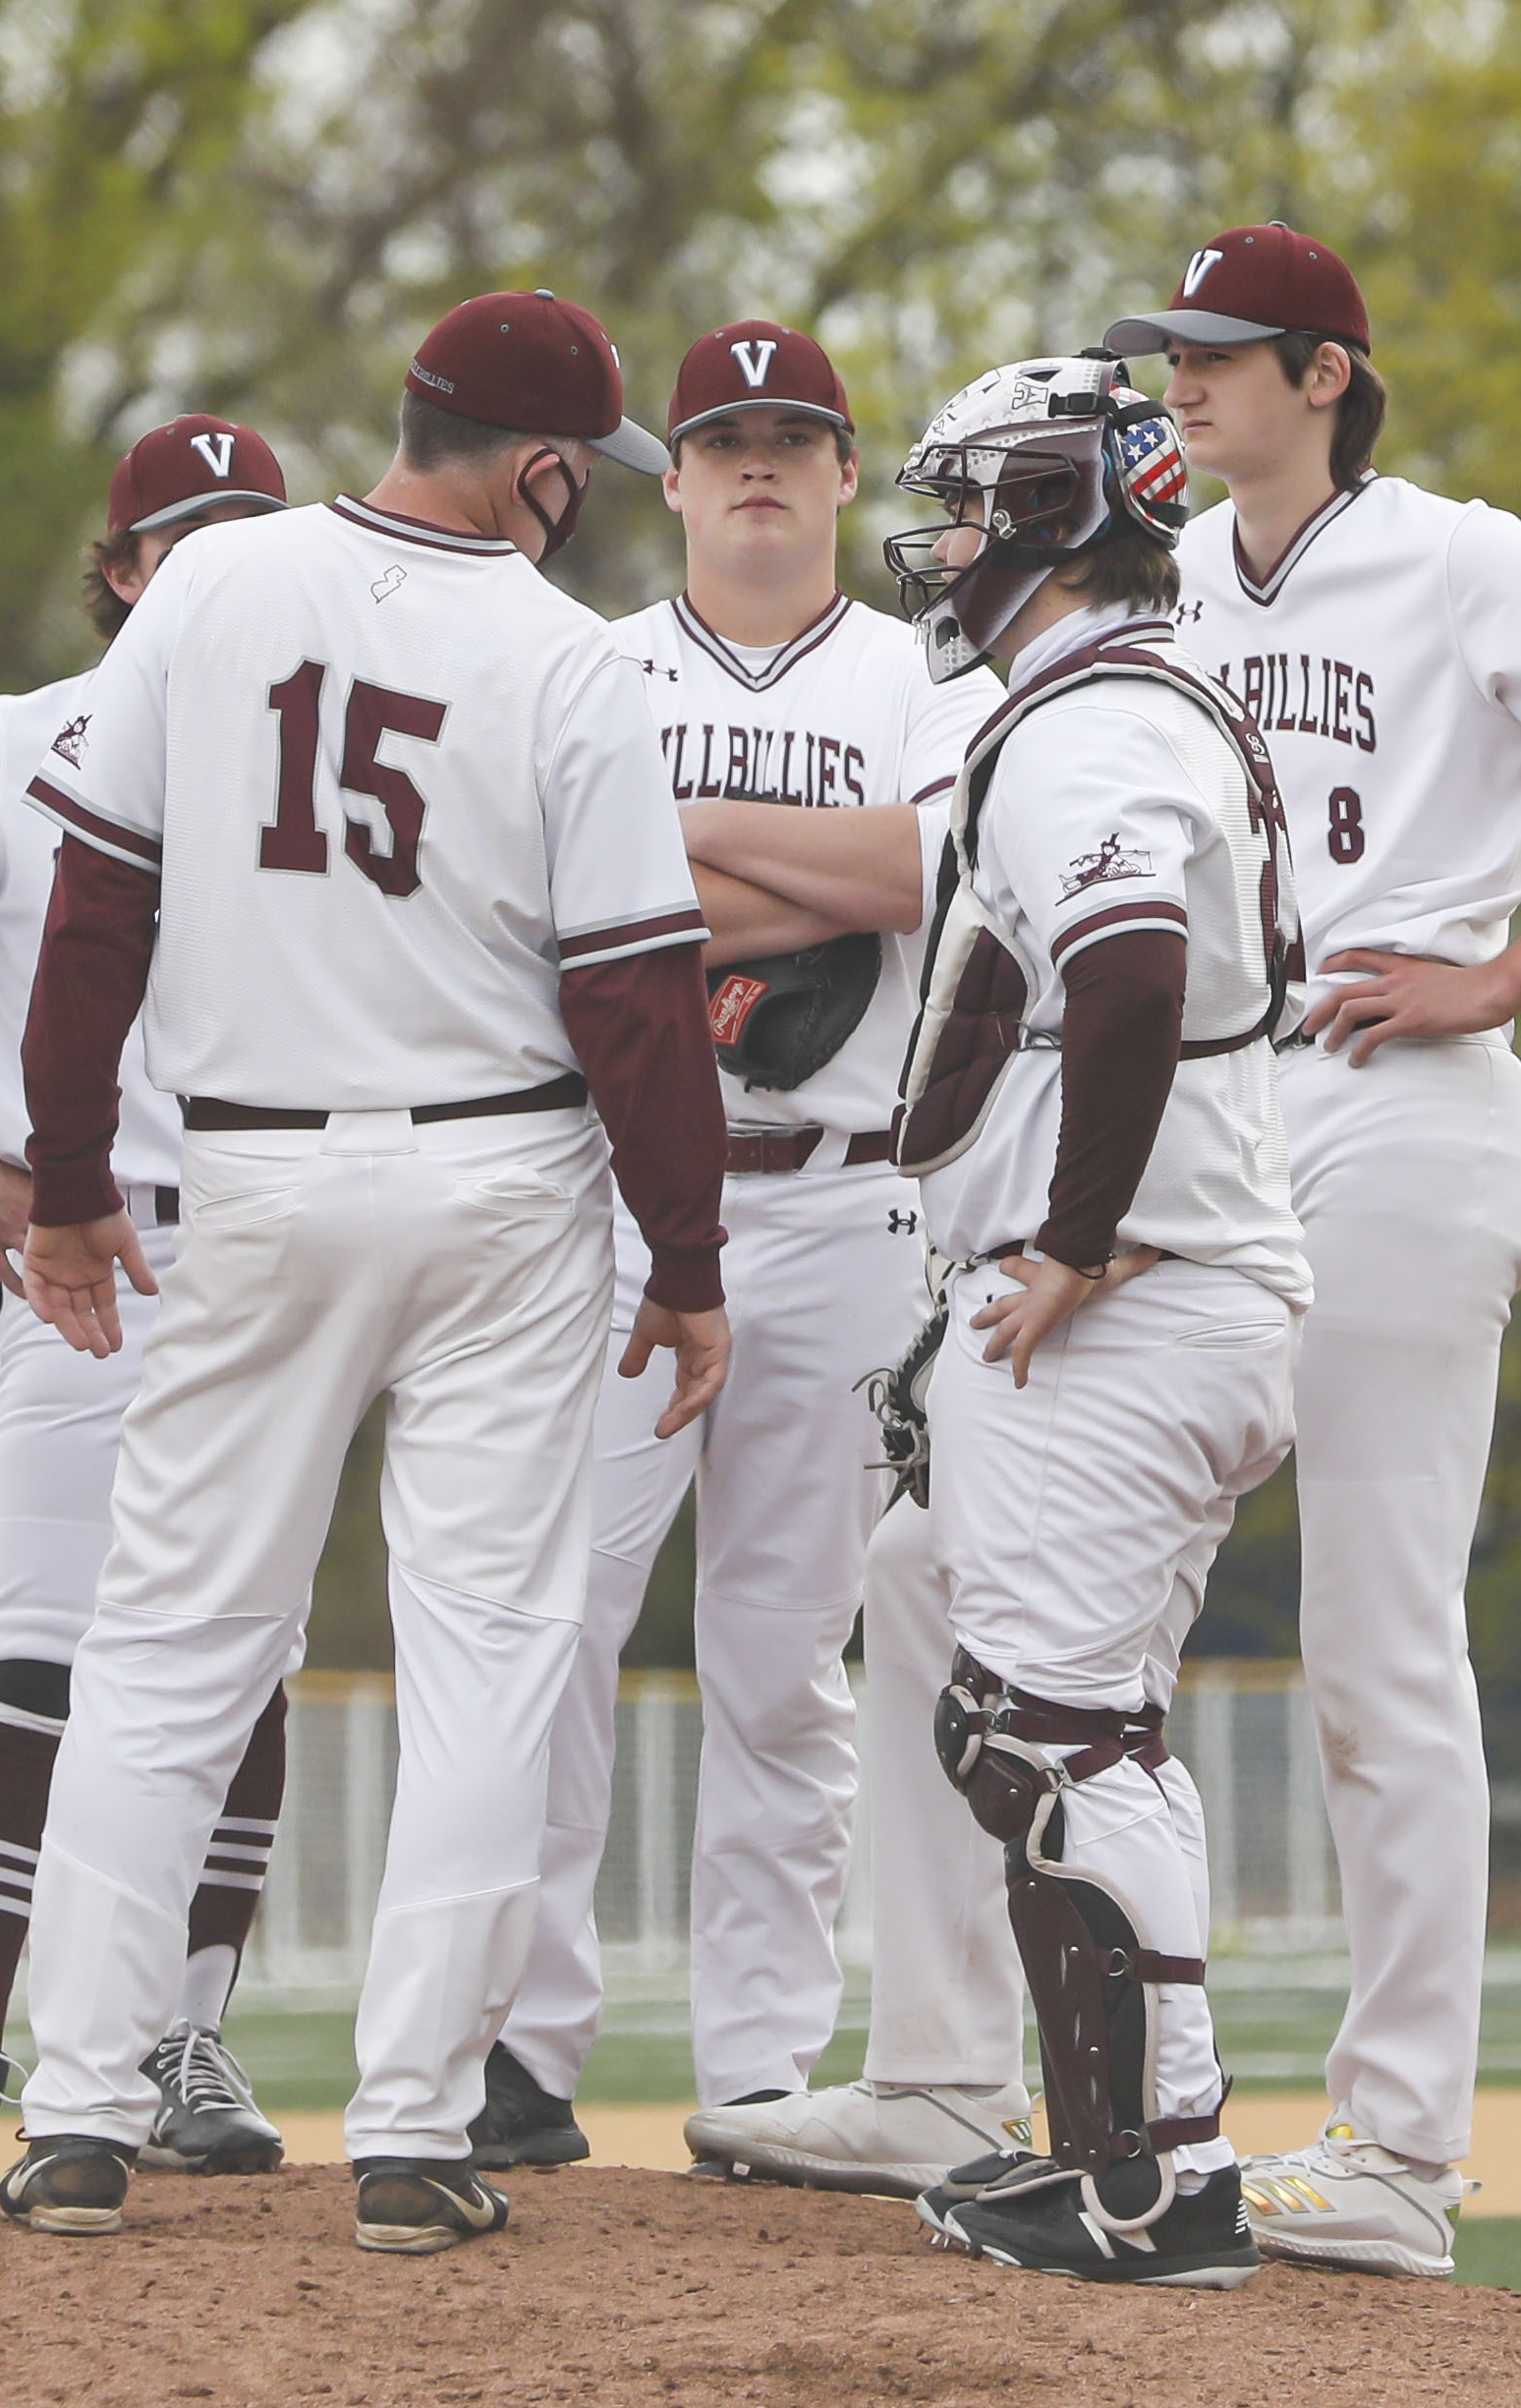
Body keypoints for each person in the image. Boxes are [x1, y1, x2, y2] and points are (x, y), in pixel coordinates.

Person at [0, 290, 730, 2257]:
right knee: (486, 1647)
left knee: (161, 1636)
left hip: (243, 1169)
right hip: (500, 1177)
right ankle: (410, 2131)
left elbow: (92, 916)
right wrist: (690, 1255)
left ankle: (72, 2111)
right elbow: (636, 999)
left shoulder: (210, 588)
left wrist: (67, 1179)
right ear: (544, 466)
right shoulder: (567, 660)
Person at [1102, 224, 1521, 2277]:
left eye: (1223, 357)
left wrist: (1507, 975)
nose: (1185, 383)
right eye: (1171, 359)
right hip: (1207, 1113)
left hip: (1397, 1106)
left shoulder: (1462, 555)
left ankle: (1397, 2154)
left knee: (1372, 1646)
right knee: (1058, 1588)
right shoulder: (1162, 575)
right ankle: (1100, 2095)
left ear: (1325, 374)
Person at [480, 320, 1000, 2164]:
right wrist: (795, 861)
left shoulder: (925, 668)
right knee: (555, 1628)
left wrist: (674, 842)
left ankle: (761, 2071)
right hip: (613, 1205)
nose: (760, 463)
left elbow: (931, 874)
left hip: (852, 1183)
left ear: (850, 474)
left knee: (786, 1659)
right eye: (724, 439)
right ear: (673, 473)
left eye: (797, 436)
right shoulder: (586, 661)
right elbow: (540, 883)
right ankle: (519, 2050)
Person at [881, 348, 1305, 2286]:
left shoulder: (1085, 723)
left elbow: (1127, 970)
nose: (945, 540)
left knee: (1048, 1745)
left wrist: (1064, 1232)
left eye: (970, 501)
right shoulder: (1109, 704)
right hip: (1180, 1294)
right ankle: (1154, 2149)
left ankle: (1139, 2182)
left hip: (1129, 1311)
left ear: (1053, 506)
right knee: (1059, 1731)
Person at [0, 416, 301, 2190]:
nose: (201, 569)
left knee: (246, 1659)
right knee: (37, 1650)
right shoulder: (0, 746)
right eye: (171, 541)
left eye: (237, 540)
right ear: (116, 568)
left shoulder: (316, 752)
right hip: (82, 1251)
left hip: (274, 1241)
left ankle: (181, 2026)